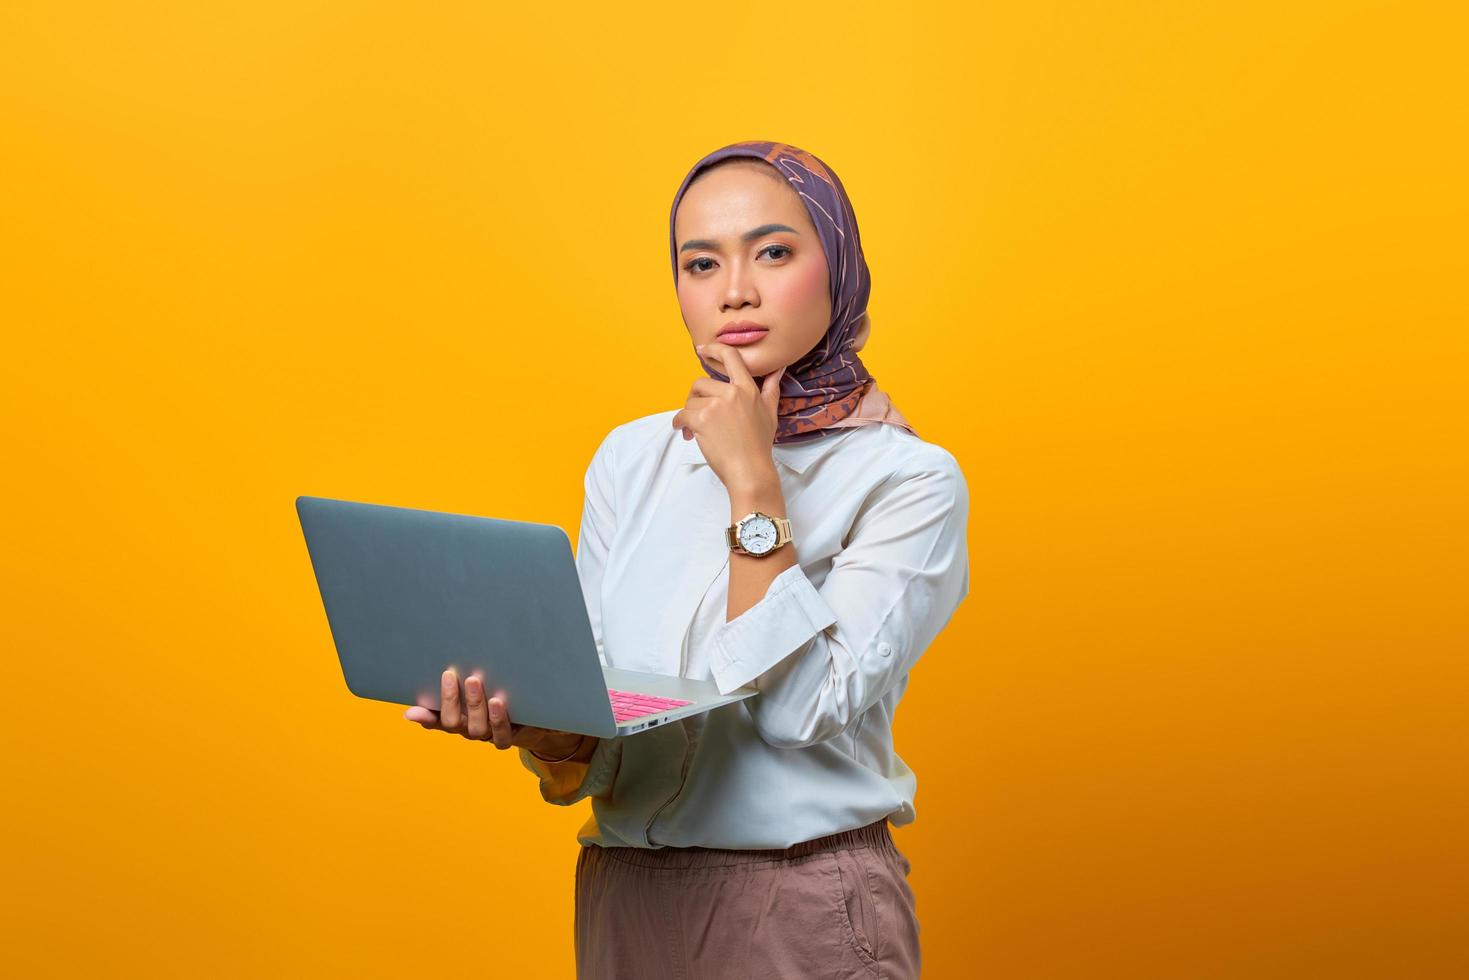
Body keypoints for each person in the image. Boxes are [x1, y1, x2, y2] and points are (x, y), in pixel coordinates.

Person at [405, 140, 970, 979]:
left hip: (799, 904)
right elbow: (612, 719)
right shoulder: (631, 460)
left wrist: (753, 483)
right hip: (623, 896)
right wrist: (538, 728)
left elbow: (795, 713)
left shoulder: (907, 479)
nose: (733, 290)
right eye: (700, 262)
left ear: (838, 264)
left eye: (772, 252)